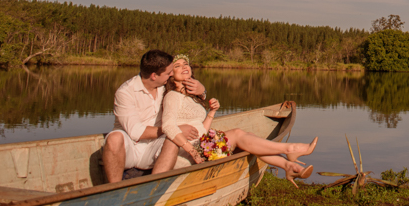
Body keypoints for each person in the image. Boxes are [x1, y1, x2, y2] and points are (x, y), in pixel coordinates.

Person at [159, 54, 318, 185]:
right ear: (170, 74)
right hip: (187, 153)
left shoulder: (191, 98)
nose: (184, 67)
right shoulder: (172, 97)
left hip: (202, 145)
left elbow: (201, 130)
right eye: (177, 66)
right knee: (238, 134)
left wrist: (211, 113)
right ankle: (290, 149)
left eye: (185, 64)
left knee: (249, 139)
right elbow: (167, 126)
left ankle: (288, 165)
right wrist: (192, 151)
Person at [102, 49, 206, 183]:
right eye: (168, 73)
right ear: (153, 76)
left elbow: (189, 100)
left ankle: (154, 188)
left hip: (157, 146)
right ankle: (114, 189)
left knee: (173, 139)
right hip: (130, 148)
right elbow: (136, 132)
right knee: (114, 137)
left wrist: (203, 90)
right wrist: (174, 128)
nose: (171, 75)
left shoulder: (165, 86)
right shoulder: (125, 92)